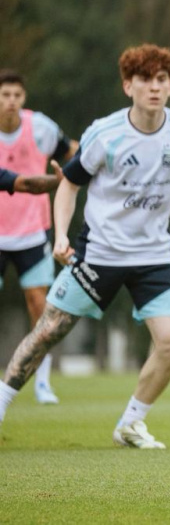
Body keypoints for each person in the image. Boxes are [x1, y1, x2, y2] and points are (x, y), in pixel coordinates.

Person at [0, 44, 170, 449]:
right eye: (145, 80)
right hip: (99, 254)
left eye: (162, 79)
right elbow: (68, 184)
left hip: (153, 256)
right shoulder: (105, 133)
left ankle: (130, 423)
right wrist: (61, 236)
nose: (154, 87)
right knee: (47, 330)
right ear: (127, 85)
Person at [0, 70, 78, 405]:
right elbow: (28, 185)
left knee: (40, 307)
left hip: (32, 232)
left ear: (24, 97)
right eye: (5, 95)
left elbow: (72, 151)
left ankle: (42, 382)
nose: (11, 101)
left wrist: (74, 176)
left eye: (17, 94)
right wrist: (58, 182)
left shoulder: (41, 128)